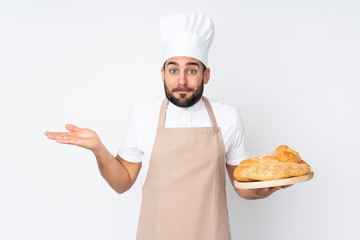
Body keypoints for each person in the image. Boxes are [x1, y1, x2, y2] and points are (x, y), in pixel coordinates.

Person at [45, 13, 290, 240]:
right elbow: (122, 183)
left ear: (206, 76)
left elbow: (242, 184)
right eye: (174, 70)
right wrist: (99, 149)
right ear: (163, 73)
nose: (181, 81)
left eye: (191, 70)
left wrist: (262, 189)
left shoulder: (228, 117)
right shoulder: (142, 116)